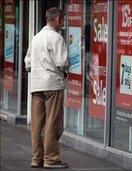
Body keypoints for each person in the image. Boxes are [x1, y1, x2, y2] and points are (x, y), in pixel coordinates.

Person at [24, 7, 69, 169]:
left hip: (36, 85)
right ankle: (51, 159)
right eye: (62, 21)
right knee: (53, 122)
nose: (63, 24)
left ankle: (36, 158)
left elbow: (27, 61)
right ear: (58, 19)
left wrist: (36, 69)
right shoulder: (57, 38)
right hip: (52, 84)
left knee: (36, 124)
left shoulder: (36, 38)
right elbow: (62, 62)